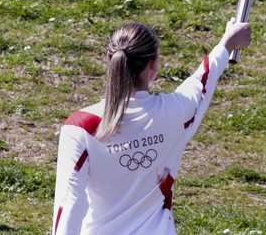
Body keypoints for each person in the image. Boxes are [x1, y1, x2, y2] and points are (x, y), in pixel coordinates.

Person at [52, 19, 251, 235]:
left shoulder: (80, 127)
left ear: (110, 61)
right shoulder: (175, 113)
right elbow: (203, 79)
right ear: (153, 66)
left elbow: (68, 202)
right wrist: (227, 43)